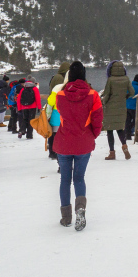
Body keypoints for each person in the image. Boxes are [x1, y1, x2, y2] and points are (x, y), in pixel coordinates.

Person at [54, 61, 103, 230]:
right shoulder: (93, 95)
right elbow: (97, 120)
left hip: (64, 142)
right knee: (79, 178)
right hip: (83, 143)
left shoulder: (60, 95)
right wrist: (91, 136)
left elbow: (60, 116)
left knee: (65, 180)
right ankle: (80, 209)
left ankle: (66, 217)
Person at [100, 61, 132, 160]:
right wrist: (125, 97)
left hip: (110, 108)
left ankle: (112, 153)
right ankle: (125, 147)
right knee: (119, 129)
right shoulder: (126, 79)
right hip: (121, 107)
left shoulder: (110, 80)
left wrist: (102, 101)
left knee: (109, 130)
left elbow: (106, 94)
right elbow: (132, 92)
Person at [126, 72, 138, 141]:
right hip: (134, 107)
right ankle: (131, 131)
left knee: (127, 121)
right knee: (136, 121)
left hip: (127, 106)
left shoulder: (129, 86)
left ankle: (128, 135)